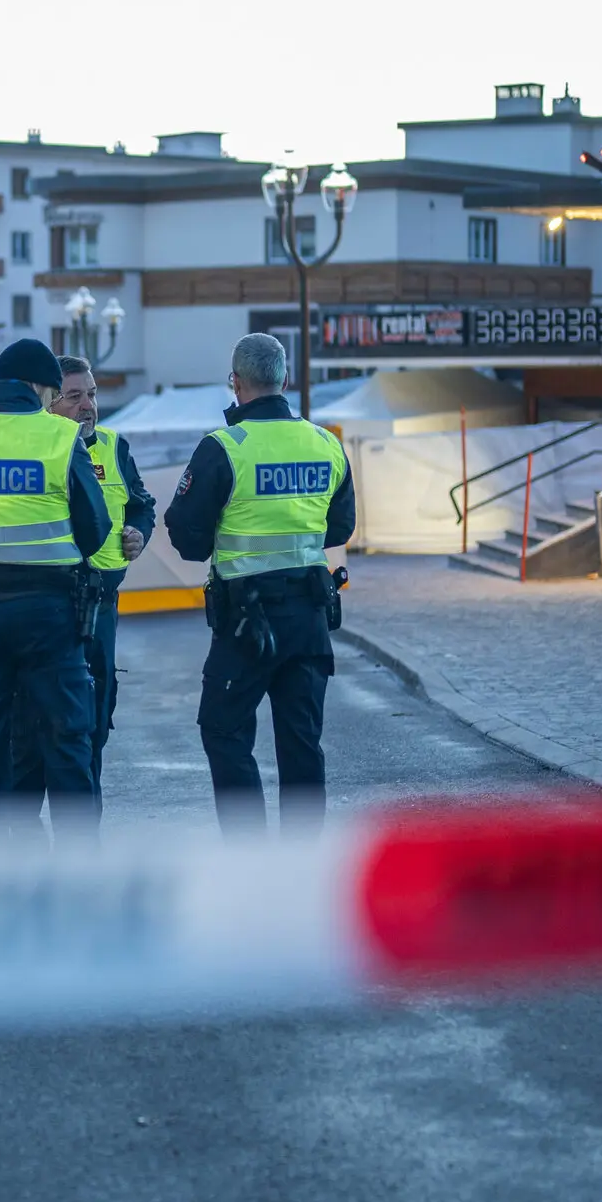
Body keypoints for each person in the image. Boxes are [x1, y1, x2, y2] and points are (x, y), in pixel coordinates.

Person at [163, 333, 356, 834]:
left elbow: (186, 536)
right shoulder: (325, 443)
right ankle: (302, 860)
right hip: (309, 616)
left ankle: (248, 856)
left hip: (245, 621)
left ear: (236, 383)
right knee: (302, 743)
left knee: (224, 731)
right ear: (284, 380)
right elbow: (340, 527)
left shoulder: (224, 447)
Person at [0, 338, 111, 833]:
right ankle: (78, 872)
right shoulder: (55, 436)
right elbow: (94, 528)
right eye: (54, 393)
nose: (54, 404)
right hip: (51, 613)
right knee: (67, 738)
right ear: (38, 386)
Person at [9, 355, 157, 816]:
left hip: (100, 611)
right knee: (33, 732)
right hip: (44, 608)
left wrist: (139, 532)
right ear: (49, 403)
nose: (87, 405)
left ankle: (82, 844)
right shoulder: (32, 452)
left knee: (92, 726)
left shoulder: (114, 447)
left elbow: (141, 504)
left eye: (91, 393)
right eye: (74, 396)